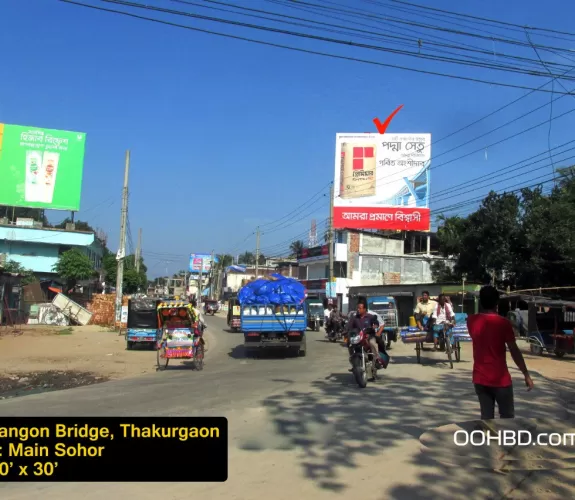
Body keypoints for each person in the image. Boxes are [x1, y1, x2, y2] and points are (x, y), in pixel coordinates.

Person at [467, 286, 534, 420]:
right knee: (507, 418)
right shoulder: (503, 323)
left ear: (480, 302)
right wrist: (526, 374)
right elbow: (514, 351)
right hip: (500, 379)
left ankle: (489, 440)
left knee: (487, 419)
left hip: (480, 378)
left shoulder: (471, 321)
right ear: (497, 302)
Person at [347, 298, 387, 368]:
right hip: (358, 337)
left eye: (360, 308)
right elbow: (349, 326)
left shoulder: (370, 317)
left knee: (372, 342)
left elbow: (376, 322)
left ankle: (377, 359)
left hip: (368, 336)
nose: (358, 309)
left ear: (365, 309)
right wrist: (345, 331)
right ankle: (353, 360)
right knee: (350, 344)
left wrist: (375, 325)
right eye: (358, 308)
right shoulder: (354, 318)